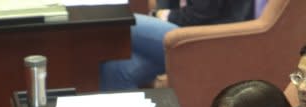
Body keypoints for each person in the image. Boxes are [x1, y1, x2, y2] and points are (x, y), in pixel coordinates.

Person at [100, 1, 254, 90]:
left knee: (120, 22)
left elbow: (199, 14)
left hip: (209, 38)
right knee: (116, 67)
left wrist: (161, 15)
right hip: (184, 31)